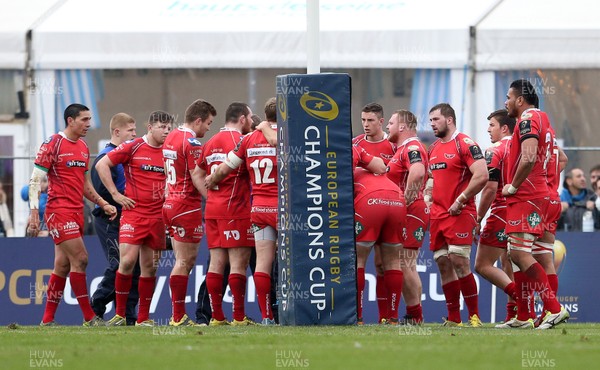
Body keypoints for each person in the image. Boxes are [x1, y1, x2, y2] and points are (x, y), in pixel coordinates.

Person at [29, 103, 117, 326]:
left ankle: (47, 320)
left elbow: (85, 184)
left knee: (62, 265)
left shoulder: (83, 147)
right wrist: (33, 213)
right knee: (81, 258)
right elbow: (34, 180)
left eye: (89, 119)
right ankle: (89, 317)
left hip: (77, 211)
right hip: (58, 211)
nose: (89, 123)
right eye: (84, 119)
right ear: (71, 120)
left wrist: (102, 202)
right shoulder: (53, 143)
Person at [501, 78, 569, 330]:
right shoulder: (544, 120)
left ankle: (553, 308)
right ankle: (529, 315)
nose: (506, 102)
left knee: (518, 253)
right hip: (544, 194)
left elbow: (529, 156)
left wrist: (514, 185)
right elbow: (562, 158)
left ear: (520, 100)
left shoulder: (528, 118)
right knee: (539, 256)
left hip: (527, 194)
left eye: (508, 97)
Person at [205, 97, 278, 325]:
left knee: (262, 264)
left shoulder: (248, 140)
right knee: (292, 262)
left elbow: (225, 168)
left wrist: (211, 179)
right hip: (285, 210)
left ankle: (266, 317)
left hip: (258, 209)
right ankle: (293, 312)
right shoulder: (290, 136)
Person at [98, 110, 172, 327]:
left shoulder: (169, 151)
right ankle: (120, 314)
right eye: (162, 127)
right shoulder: (134, 146)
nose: (166, 132)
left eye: (169, 128)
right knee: (128, 261)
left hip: (157, 217)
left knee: (150, 267)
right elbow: (102, 165)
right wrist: (115, 195)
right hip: (133, 214)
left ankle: (143, 318)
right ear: (150, 127)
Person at [193, 102, 255, 326]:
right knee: (238, 264)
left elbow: (197, 173)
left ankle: (217, 317)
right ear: (242, 119)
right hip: (235, 208)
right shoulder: (241, 141)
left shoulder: (209, 142)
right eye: (250, 117)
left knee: (216, 263)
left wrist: (209, 197)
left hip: (213, 210)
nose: (251, 121)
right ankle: (239, 316)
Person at [427, 103, 488, 327]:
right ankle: (454, 318)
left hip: (460, 212)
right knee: (443, 262)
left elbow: (481, 175)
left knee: (460, 262)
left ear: (449, 120)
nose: (432, 124)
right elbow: (431, 179)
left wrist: (460, 200)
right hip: (438, 215)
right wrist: (427, 197)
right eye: (430, 120)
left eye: (436, 119)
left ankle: (474, 317)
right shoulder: (432, 148)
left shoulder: (465, 143)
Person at [161, 99, 217, 327]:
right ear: (198, 120)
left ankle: (177, 315)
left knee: (180, 260)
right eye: (208, 123)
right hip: (186, 205)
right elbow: (196, 176)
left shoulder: (171, 136)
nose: (209, 128)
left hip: (170, 203)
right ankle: (177, 316)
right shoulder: (191, 142)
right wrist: (212, 200)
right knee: (185, 261)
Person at [89, 113, 140, 325]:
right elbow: (100, 192)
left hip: (126, 218)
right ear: (117, 132)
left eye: (135, 130)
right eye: (131, 130)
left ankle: (129, 316)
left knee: (134, 266)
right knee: (119, 263)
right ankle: (96, 307)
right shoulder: (105, 157)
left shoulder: (125, 155)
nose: (135, 134)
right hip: (109, 218)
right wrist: (117, 200)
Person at [472, 109, 517, 324]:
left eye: (491, 125)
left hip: (501, 212)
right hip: (525, 210)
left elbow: (490, 188)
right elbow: (561, 159)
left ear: (504, 128)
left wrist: (479, 217)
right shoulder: (524, 147)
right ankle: (515, 315)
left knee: (482, 265)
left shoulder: (494, 150)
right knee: (509, 262)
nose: (488, 129)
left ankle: (523, 302)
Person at [353, 102, 397, 323]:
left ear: (382, 121)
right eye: (363, 120)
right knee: (362, 260)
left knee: (384, 263)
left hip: (393, 208)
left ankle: (388, 317)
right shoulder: (355, 144)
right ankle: (359, 316)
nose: (366, 125)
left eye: (370, 120)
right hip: (364, 209)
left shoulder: (394, 145)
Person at [385, 109, 429, 325]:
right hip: (408, 210)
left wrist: (405, 202)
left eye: (390, 122)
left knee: (405, 263)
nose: (387, 127)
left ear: (402, 126)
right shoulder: (401, 148)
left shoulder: (411, 146)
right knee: (403, 263)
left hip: (412, 211)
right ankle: (413, 314)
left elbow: (418, 172)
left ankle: (415, 315)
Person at [354, 165, 406, 325]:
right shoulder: (379, 169)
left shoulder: (350, 169)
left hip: (370, 200)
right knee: (393, 262)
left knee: (358, 260)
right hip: (397, 199)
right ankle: (393, 318)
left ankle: (358, 317)